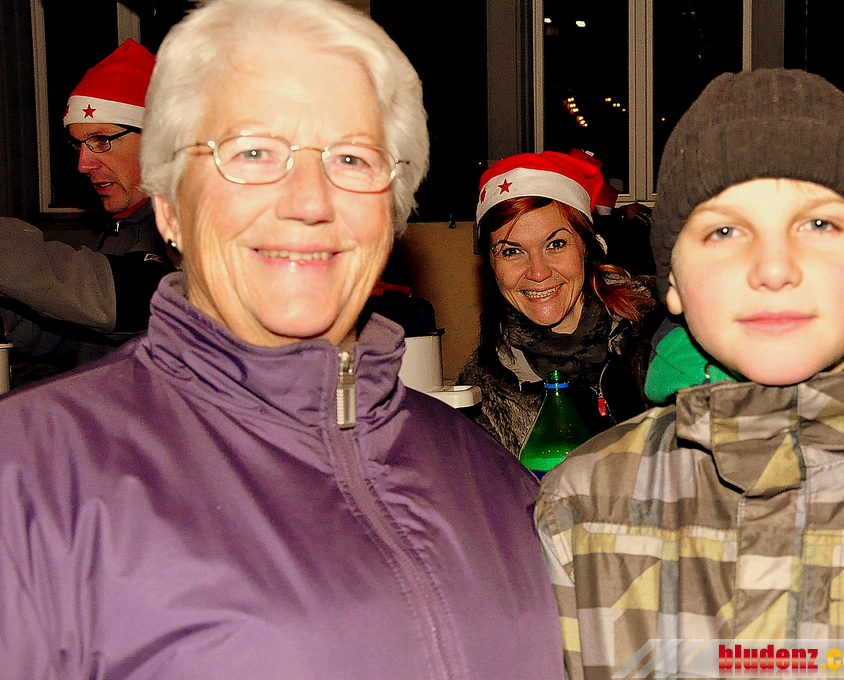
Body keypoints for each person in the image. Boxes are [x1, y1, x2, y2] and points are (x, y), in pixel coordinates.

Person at [0, 1, 563, 678]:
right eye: (252, 152)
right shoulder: (30, 476)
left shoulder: (490, 478)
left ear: (390, 214)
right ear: (170, 207)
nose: (309, 200)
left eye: (352, 157)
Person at [534, 69, 844, 679]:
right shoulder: (582, 507)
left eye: (819, 225)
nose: (772, 268)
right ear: (674, 283)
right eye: (724, 230)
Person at [458, 151, 662, 454]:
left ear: (587, 247)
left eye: (555, 244)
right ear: (491, 264)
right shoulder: (483, 389)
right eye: (512, 251)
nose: (538, 272)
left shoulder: (661, 325)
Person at [0, 39, 172, 379]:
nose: (83, 164)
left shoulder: (198, 220)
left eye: (101, 140)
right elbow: (83, 339)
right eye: (79, 145)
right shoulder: (123, 229)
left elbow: (136, 299)